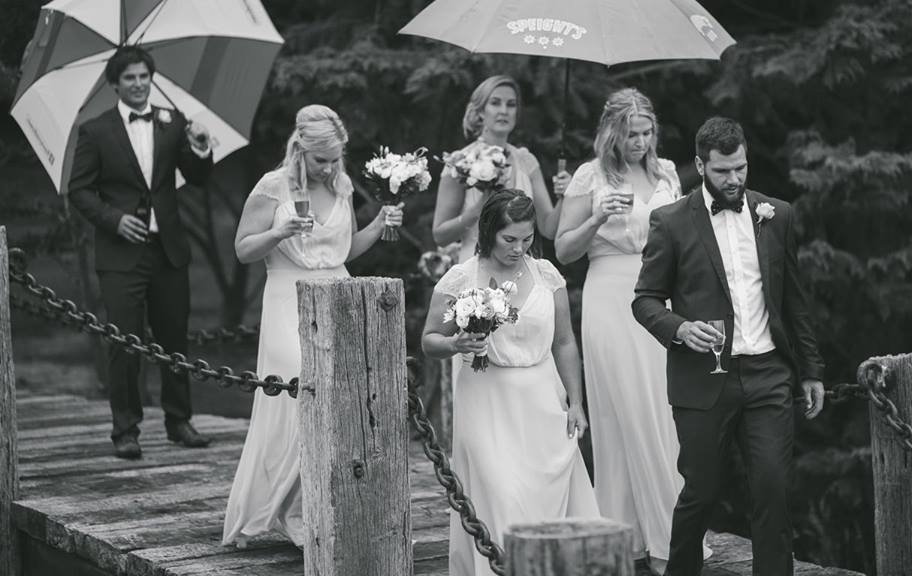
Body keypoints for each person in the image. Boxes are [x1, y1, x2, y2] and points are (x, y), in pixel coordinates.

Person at [632, 116, 825, 576]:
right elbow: (645, 300)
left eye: (741, 168)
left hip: (768, 373)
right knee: (700, 492)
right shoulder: (671, 222)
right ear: (701, 166)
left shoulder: (776, 215)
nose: (734, 179)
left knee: (773, 489)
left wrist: (812, 370)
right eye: (722, 171)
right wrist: (680, 328)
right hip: (702, 378)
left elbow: (794, 300)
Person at [222, 104, 403, 549]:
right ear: (300, 149)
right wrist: (279, 232)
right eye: (322, 160)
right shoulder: (272, 186)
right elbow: (243, 250)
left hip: (339, 296)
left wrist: (380, 223)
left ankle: (316, 507)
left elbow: (345, 249)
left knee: (340, 398)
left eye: (336, 159)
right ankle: (280, 509)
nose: (330, 168)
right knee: (300, 388)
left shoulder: (342, 185)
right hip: (289, 296)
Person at [555, 88, 700, 575]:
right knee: (625, 415)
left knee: (664, 412)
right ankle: (636, 539)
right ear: (612, 134)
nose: (640, 142)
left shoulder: (666, 173)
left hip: (663, 297)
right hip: (611, 295)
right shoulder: (590, 176)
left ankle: (670, 535)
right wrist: (598, 215)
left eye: (646, 132)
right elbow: (564, 250)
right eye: (632, 134)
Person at [422, 189, 599, 576]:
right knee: (500, 493)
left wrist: (576, 403)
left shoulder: (546, 274)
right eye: (509, 239)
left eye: (527, 239)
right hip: (486, 400)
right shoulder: (462, 277)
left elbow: (565, 342)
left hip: (542, 399)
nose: (519, 248)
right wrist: (455, 343)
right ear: (488, 231)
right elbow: (429, 340)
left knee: (543, 497)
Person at [68, 46, 213, 460]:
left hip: (168, 252)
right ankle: (126, 429)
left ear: (151, 79)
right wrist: (113, 220)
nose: (138, 84)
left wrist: (201, 148)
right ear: (115, 85)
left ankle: (179, 421)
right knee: (124, 343)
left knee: (174, 339)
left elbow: (197, 178)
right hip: (120, 256)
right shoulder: (95, 131)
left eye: (143, 77)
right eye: (129, 78)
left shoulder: (173, 122)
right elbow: (79, 190)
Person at [432, 75, 570, 392]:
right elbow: (440, 234)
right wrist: (476, 210)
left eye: (511, 104)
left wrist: (565, 195)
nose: (504, 110)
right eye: (495, 103)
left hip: (522, 269)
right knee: (479, 357)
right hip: (477, 268)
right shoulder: (460, 163)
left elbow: (548, 227)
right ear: (480, 110)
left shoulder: (527, 161)